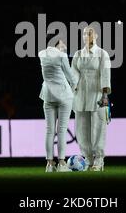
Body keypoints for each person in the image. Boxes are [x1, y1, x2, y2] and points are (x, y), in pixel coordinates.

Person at [71, 26, 111, 171]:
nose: (87, 36)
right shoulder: (78, 54)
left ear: (96, 36)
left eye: (90, 33)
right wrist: (72, 88)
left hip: (97, 94)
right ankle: (87, 159)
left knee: (98, 128)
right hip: (80, 95)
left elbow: (106, 75)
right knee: (81, 129)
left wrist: (105, 96)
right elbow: (73, 73)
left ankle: (99, 160)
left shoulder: (102, 54)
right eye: (84, 34)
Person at [38, 33, 76, 172]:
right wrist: (74, 87)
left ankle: (49, 164)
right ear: (55, 43)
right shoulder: (61, 56)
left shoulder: (41, 54)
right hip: (63, 95)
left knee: (49, 130)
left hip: (48, 95)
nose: (64, 46)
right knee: (61, 130)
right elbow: (71, 76)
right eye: (61, 43)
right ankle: (61, 163)